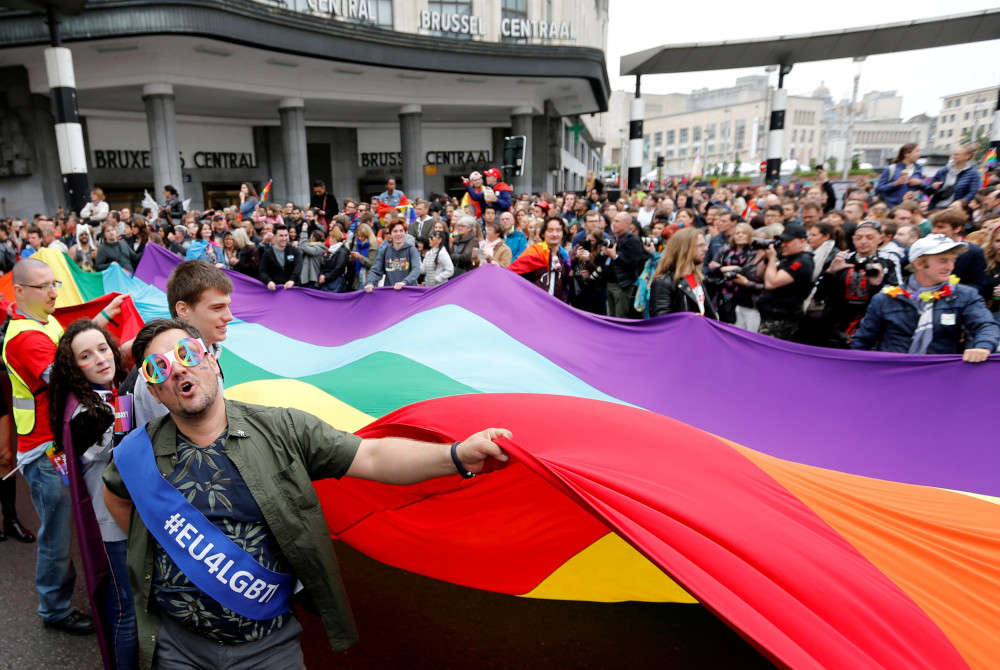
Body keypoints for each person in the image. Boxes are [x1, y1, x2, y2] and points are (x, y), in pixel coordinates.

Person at [101, 319, 511, 669]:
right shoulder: (137, 453)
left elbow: (371, 455)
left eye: (186, 354)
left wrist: (457, 455)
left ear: (210, 357)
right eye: (158, 368)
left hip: (268, 647)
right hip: (178, 648)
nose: (176, 371)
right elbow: (115, 496)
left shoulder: (283, 429)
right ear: (154, 391)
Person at [4, 259, 125, 635]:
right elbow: (69, 374)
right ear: (19, 292)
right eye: (43, 287)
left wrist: (102, 319)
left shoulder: (42, 320)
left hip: (53, 443)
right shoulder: (27, 336)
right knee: (56, 534)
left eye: (54, 283)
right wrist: (121, 354)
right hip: (44, 452)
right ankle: (54, 609)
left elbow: (70, 352)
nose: (54, 292)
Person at [49, 320, 139, 669]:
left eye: (103, 348)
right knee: (125, 607)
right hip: (111, 525)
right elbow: (126, 447)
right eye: (86, 356)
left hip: (122, 515)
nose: (101, 359)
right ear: (75, 368)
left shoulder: (100, 395)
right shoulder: (90, 412)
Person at [852, 234, 999, 360]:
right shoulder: (886, 299)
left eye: (953, 260)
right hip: (894, 375)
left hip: (940, 376)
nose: (950, 267)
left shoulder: (965, 295)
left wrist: (983, 346)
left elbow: (985, 325)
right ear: (919, 263)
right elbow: (862, 341)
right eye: (942, 260)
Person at [129, 260, 233, 427]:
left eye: (228, 306)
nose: (229, 317)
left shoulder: (210, 349)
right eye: (217, 308)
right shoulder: (158, 372)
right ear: (183, 310)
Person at [814, 222, 902, 347]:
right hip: (836, 323)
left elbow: (898, 296)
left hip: (871, 322)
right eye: (859, 238)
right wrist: (830, 272)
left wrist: (878, 285)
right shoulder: (842, 258)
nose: (863, 241)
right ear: (853, 240)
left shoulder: (889, 260)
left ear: (881, 239)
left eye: (869, 237)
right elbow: (818, 294)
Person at [757, 223, 815, 340]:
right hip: (770, 315)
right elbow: (760, 274)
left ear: (802, 242)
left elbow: (771, 283)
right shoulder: (787, 258)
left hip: (782, 319)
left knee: (768, 353)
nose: (783, 245)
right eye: (781, 241)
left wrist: (773, 258)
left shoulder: (802, 262)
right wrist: (768, 259)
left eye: (787, 242)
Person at [649, 228, 717, 318]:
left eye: (705, 245)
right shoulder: (663, 282)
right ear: (685, 249)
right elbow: (660, 321)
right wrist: (688, 319)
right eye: (700, 245)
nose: (706, 249)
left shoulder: (699, 277)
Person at [929, 208, 988, 300]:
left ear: (957, 228)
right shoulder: (927, 248)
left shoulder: (973, 252)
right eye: (933, 227)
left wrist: (950, 289)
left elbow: (980, 286)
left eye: (941, 227)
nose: (934, 231)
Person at [509, 216, 571, 302]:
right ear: (543, 233)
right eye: (550, 230)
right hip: (534, 306)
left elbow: (564, 286)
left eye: (558, 230)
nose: (554, 234)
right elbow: (512, 275)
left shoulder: (565, 257)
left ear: (563, 233)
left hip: (556, 307)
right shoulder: (534, 252)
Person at [605, 212, 647, 318]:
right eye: (613, 221)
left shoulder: (632, 240)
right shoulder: (614, 238)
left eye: (617, 221)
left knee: (620, 317)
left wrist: (615, 256)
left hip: (622, 284)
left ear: (627, 223)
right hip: (610, 283)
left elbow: (632, 264)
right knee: (611, 316)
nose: (613, 224)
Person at [364, 220, 421, 292]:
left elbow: (416, 270)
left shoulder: (412, 250)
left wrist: (404, 282)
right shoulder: (385, 250)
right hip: (390, 292)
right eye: (395, 231)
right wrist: (370, 282)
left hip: (408, 292)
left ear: (405, 233)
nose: (398, 234)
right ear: (390, 234)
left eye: (401, 231)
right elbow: (375, 270)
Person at [924, 145, 981, 210]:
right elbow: (927, 190)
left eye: (957, 155)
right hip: (936, 207)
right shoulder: (943, 171)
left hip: (955, 210)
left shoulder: (972, 173)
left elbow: (972, 193)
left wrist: (961, 202)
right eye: (954, 154)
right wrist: (933, 187)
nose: (954, 157)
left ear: (967, 156)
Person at [259, 225, 302, 291]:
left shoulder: (295, 251)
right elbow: (262, 271)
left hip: (293, 288)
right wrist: (268, 281)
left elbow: (298, 268)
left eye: (286, 235)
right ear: (275, 237)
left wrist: (292, 280)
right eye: (281, 236)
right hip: (275, 290)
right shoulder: (268, 253)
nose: (284, 238)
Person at [318, 228, 350, 292]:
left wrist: (326, 278)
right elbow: (324, 265)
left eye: (330, 238)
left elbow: (338, 268)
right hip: (326, 280)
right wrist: (321, 275)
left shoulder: (343, 252)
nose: (329, 240)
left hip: (335, 281)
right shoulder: (331, 250)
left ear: (334, 239)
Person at [348, 221, 378, 290]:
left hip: (368, 276)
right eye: (358, 236)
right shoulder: (356, 243)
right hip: (357, 275)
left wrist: (360, 257)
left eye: (362, 236)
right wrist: (352, 258)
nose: (360, 238)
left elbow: (372, 264)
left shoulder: (372, 246)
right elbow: (352, 261)